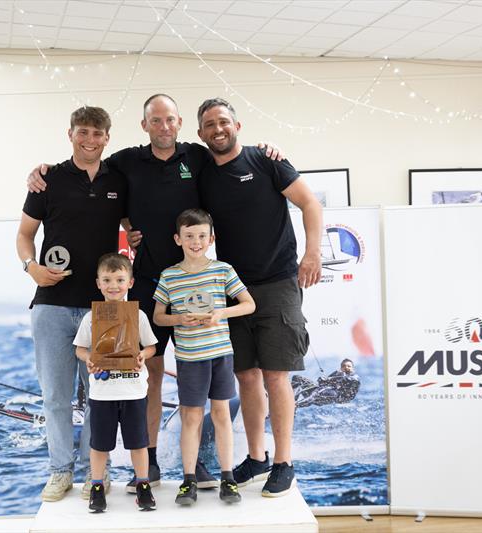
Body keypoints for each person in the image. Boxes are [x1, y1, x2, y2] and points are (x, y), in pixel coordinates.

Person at [26, 95, 282, 492]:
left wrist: (265, 151)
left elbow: (231, 154)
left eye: (169, 120)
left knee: (207, 377)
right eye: (154, 121)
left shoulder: (197, 156)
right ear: (144, 126)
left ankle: (203, 465)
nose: (163, 127)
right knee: (147, 375)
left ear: (180, 123)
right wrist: (41, 172)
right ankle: (146, 468)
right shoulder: (125, 161)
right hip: (143, 285)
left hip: (194, 282)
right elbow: (87, 168)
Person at [195, 97, 323, 498]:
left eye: (224, 121)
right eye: (210, 125)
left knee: (276, 376)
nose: (218, 129)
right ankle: (257, 457)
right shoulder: (202, 174)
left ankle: (284, 462)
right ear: (200, 134)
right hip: (233, 291)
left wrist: (312, 252)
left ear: (237, 124)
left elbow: (309, 203)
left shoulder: (267, 160)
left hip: (279, 284)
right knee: (246, 377)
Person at [16, 106, 127, 502]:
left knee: (104, 395)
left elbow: (135, 230)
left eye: (97, 134)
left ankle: (97, 473)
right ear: (70, 134)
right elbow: (25, 236)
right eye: (83, 132)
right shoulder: (48, 180)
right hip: (52, 305)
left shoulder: (120, 180)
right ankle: (60, 472)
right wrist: (32, 268)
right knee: (55, 398)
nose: (90, 140)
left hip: (108, 308)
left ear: (107, 138)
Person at [153, 208, 256, 506]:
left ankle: (228, 478)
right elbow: (159, 317)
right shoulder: (169, 275)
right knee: (192, 416)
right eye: (189, 236)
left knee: (222, 414)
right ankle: (188, 480)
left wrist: (222, 312)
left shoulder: (223, 270)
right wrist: (179, 319)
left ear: (211, 238)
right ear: (178, 239)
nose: (195, 241)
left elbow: (248, 304)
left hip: (220, 354)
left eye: (201, 236)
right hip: (189, 358)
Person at [73, 253, 159, 513]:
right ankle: (97, 486)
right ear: (98, 283)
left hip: (133, 391)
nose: (113, 285)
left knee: (138, 443)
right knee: (99, 445)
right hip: (102, 394)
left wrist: (143, 355)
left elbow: (152, 346)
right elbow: (80, 348)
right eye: (107, 280)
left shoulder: (139, 315)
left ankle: (143, 485)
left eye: (120, 279)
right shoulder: (91, 318)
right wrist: (89, 359)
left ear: (130, 282)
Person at [293, 359, 361, 408]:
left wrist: (331, 378)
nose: (346, 367)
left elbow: (346, 379)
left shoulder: (355, 377)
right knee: (297, 378)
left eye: (349, 366)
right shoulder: (338, 373)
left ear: (353, 368)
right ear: (341, 367)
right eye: (344, 366)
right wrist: (322, 380)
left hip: (336, 396)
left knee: (317, 392)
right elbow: (325, 382)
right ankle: (292, 399)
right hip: (323, 391)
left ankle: (294, 405)